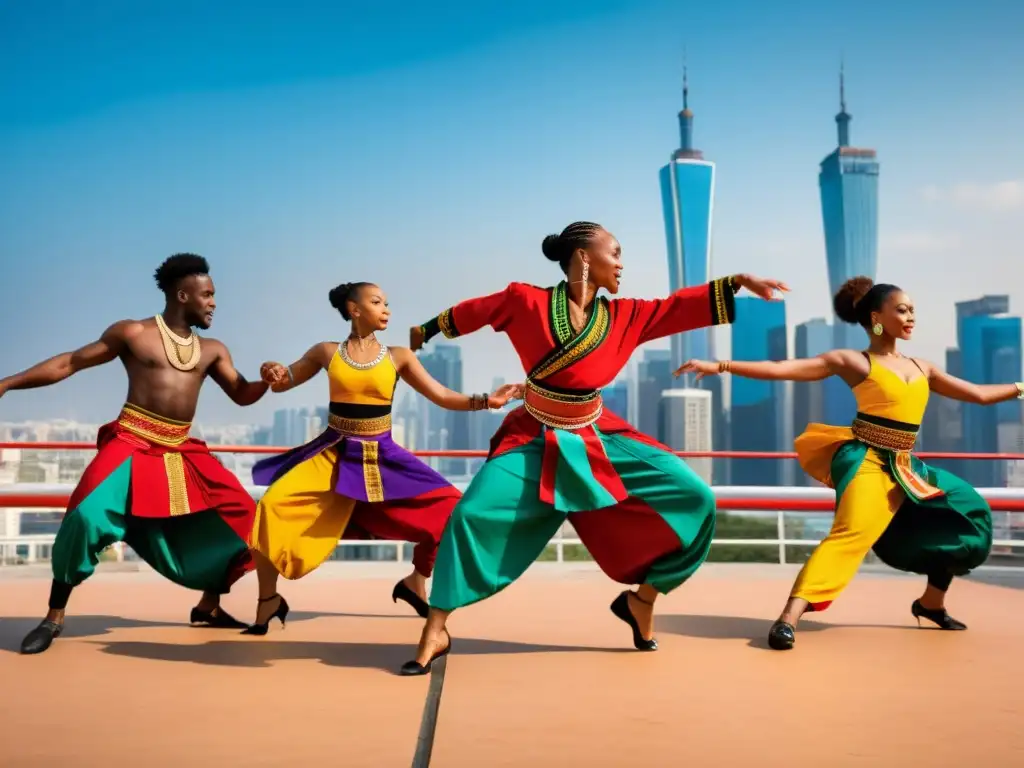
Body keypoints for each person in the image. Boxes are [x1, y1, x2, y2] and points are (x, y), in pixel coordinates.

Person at [399, 221, 789, 675]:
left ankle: (642, 601)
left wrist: (739, 281)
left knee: (697, 498)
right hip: (533, 433)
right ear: (585, 257)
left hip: (597, 433)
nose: (623, 264)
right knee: (469, 515)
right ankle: (436, 628)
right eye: (616, 253)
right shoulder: (525, 300)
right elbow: (474, 311)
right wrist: (422, 333)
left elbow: (676, 307)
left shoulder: (625, 316)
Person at [675, 276, 1019, 651]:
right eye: (901, 309)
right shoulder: (853, 361)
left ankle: (931, 604)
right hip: (866, 458)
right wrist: (721, 365)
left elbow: (981, 396)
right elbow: (780, 368)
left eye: (913, 310)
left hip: (906, 466)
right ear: (877, 317)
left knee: (966, 512)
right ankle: (787, 619)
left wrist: (1021, 387)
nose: (911, 317)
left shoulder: (924, 367)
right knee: (849, 534)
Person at [0, 254, 269, 654]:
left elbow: (242, 395)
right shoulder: (132, 333)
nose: (214, 302)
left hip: (181, 449)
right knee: (86, 518)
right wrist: (7, 383)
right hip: (131, 440)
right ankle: (54, 617)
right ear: (183, 295)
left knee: (245, 520)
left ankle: (209, 606)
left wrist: (266, 381)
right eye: (208, 295)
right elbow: (69, 363)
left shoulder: (213, 349)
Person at [244, 281, 522, 634]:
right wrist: (273, 373)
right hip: (331, 453)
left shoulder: (399, 356)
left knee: (452, 510)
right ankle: (268, 600)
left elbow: (440, 395)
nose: (387, 309)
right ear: (354, 309)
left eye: (387, 302)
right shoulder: (325, 352)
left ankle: (416, 580)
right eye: (377, 302)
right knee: (269, 507)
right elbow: (284, 381)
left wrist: (487, 401)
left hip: (384, 457)